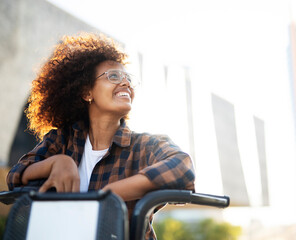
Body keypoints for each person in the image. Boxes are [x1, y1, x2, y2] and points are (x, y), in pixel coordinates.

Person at [6, 32, 195, 239]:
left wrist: (108, 194)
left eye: (128, 79)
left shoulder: (144, 146)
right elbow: (15, 176)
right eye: (114, 76)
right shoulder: (61, 141)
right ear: (87, 93)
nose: (126, 83)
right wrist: (56, 163)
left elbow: (182, 166)